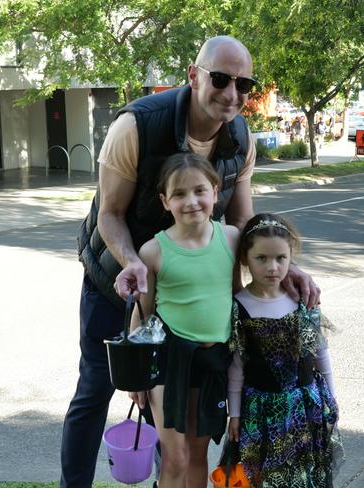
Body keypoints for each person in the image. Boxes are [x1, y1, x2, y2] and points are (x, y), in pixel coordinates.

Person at [61, 35, 320, 488]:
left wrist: (284, 267)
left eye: (244, 84)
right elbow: (111, 213)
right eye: (221, 79)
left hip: (186, 292)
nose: (232, 93)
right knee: (97, 389)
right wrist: (132, 264)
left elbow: (243, 222)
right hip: (117, 280)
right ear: (194, 75)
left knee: (176, 425)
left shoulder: (240, 137)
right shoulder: (138, 126)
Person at [129, 152, 239, 488]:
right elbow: (142, 315)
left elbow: (239, 295)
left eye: (199, 191)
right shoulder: (154, 251)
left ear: (215, 192)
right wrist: (137, 377)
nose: (191, 201)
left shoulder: (232, 239)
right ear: (165, 201)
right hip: (169, 361)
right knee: (175, 455)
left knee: (197, 451)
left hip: (214, 361)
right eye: (179, 194)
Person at [227, 213, 343, 487]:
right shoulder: (239, 306)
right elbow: (236, 365)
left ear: (291, 258)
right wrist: (234, 413)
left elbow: (320, 353)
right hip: (261, 412)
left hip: (305, 407)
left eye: (281, 258)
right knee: (266, 476)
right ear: (245, 258)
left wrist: (332, 399)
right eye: (262, 258)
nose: (272, 267)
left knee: (306, 473)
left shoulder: (301, 301)